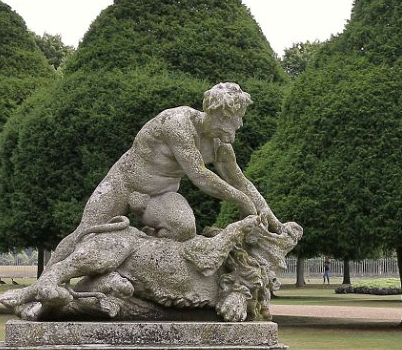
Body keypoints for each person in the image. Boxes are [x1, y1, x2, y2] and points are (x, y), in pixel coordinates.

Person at [50, 82, 280, 264]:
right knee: (85, 233)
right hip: (124, 183)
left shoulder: (219, 144)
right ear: (217, 113)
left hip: (160, 196)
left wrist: (268, 214)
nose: (239, 124)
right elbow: (199, 176)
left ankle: (141, 273)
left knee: (184, 228)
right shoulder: (178, 123)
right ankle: (45, 282)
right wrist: (242, 200)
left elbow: (239, 180)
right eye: (233, 117)